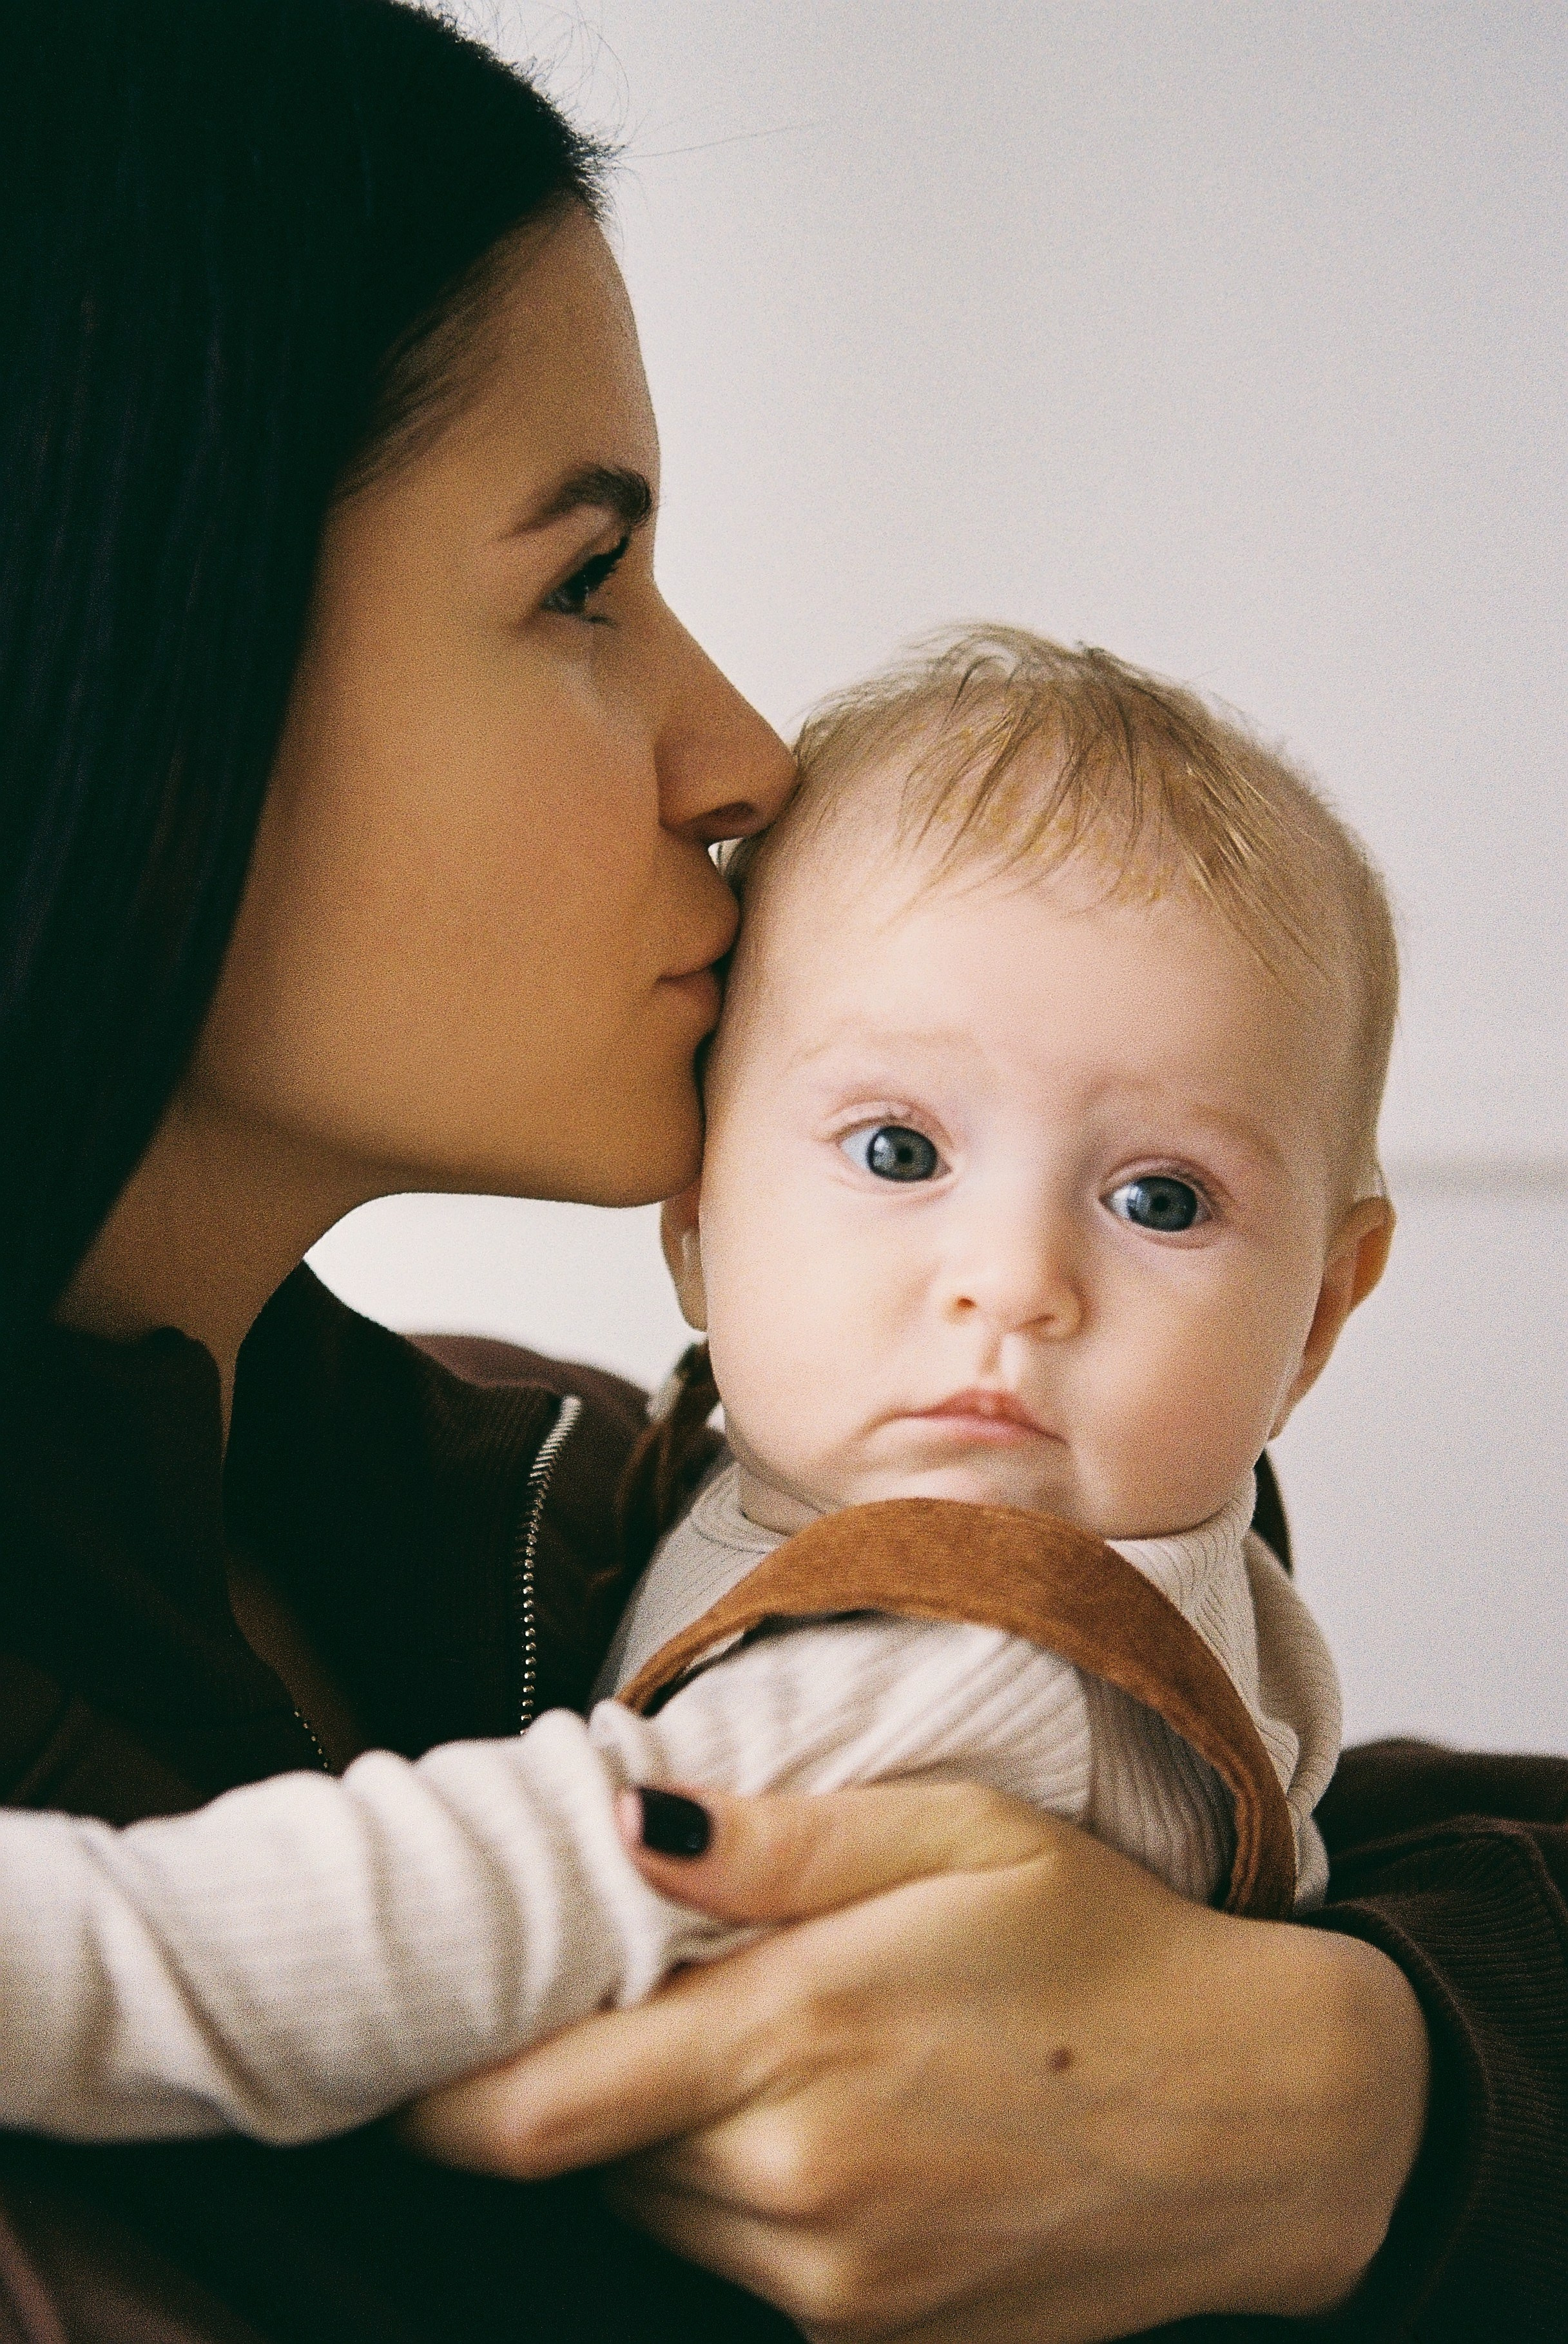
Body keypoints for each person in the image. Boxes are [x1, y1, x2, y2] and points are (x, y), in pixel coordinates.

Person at [0, 3, 1562, 2341]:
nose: (739, 751)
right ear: (125, 646)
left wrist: (1365, 2099)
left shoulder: (532, 1481)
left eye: (1157, 1200)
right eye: (582, 581)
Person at [0, 629, 1384, 2148]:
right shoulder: (674, 1478)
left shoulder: (975, 1654)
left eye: (1161, 1200)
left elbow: (455, 1905)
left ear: (1314, 1319)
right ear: (696, 1234)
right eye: (900, 1153)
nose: (1014, 1279)